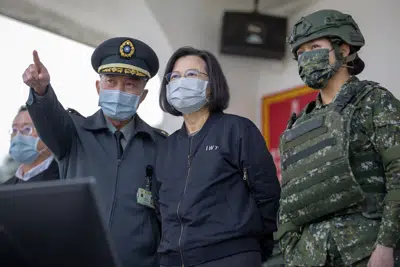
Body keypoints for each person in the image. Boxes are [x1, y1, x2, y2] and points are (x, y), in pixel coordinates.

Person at [22, 37, 168, 267]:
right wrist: (41, 90)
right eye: (111, 81)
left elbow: (168, 220)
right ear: (99, 87)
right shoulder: (72, 133)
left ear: (143, 94)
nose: (119, 90)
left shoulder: (160, 146)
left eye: (130, 84)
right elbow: (49, 115)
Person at [275, 9, 400, 267]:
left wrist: (386, 245)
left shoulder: (374, 101)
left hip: (367, 252)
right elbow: (288, 206)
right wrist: (292, 255)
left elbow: (398, 172)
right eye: (300, 53)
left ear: (343, 49)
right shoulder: (300, 125)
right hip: (312, 258)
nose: (306, 57)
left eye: (315, 46)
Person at [154, 46, 281, 267]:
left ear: (211, 86)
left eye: (191, 74)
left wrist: (253, 247)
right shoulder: (167, 146)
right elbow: (159, 208)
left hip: (229, 257)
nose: (181, 82)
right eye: (174, 77)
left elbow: (268, 196)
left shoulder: (237, 130)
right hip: (173, 260)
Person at [3, 105, 59, 185]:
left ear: (49, 134)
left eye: (27, 129)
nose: (18, 135)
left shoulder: (66, 179)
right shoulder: (4, 190)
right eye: (14, 130)